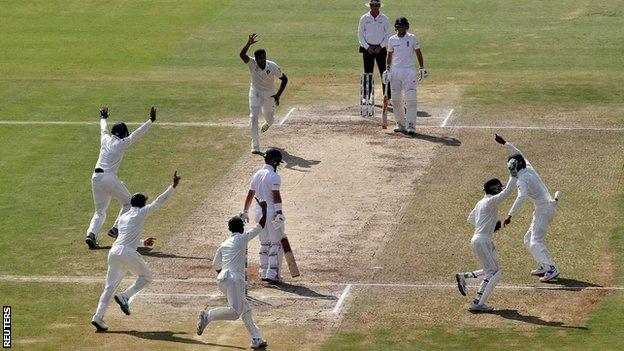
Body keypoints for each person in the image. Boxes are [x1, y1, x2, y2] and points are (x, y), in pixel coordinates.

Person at [90, 171, 181, 331]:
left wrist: (143, 242)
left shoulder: (124, 217)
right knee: (146, 277)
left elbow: (126, 238)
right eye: (145, 202)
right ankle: (125, 296)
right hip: (126, 253)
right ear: (142, 204)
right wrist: (172, 186)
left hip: (114, 252)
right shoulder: (141, 212)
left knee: (109, 288)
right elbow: (159, 201)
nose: (147, 204)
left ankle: (97, 317)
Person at [196, 200, 269, 350]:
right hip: (234, 281)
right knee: (235, 312)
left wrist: (225, 276)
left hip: (224, 280)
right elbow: (261, 225)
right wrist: (265, 209)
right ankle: (208, 316)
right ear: (241, 228)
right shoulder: (242, 238)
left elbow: (215, 265)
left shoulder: (224, 244)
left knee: (246, 309)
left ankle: (257, 338)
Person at [85, 106, 156, 249]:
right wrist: (150, 121)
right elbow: (137, 133)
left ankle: (91, 234)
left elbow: (103, 128)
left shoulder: (105, 139)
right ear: (123, 134)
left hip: (96, 178)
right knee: (129, 203)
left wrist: (103, 117)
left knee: (99, 211)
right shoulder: (122, 144)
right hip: (109, 178)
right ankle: (116, 229)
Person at [495, 134, 561, 282]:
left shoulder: (522, 180)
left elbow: (521, 197)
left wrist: (510, 214)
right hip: (544, 207)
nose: (512, 172)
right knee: (527, 239)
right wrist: (505, 143)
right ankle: (544, 265)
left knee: (535, 241)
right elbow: (518, 153)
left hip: (544, 209)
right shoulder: (527, 167)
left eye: (513, 169)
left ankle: (551, 268)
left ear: (517, 167)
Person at [455, 175, 517, 312]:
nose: (501, 189)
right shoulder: (490, 201)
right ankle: (477, 303)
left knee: (494, 271)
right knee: (493, 273)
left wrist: (489, 225)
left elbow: (471, 218)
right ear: (493, 189)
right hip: (482, 240)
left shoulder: (480, 203)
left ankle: (464, 277)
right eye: (499, 187)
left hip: (482, 239)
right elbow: (507, 192)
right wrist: (514, 176)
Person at [239, 33, 288, 155]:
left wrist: (278, 95)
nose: (263, 61)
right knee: (253, 117)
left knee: (270, 120)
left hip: (269, 94)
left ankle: (268, 123)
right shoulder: (252, 63)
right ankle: (255, 145)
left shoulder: (272, 66)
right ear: (256, 59)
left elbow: (284, 79)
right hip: (255, 93)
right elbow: (242, 55)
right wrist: (248, 44)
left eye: (264, 58)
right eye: (261, 59)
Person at [241, 148, 284, 283]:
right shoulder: (274, 177)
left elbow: (250, 194)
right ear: (273, 161)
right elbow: (276, 196)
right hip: (271, 212)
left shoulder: (257, 174)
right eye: (277, 162)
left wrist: (245, 211)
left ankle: (264, 272)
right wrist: (279, 213)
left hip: (259, 213)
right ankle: (272, 274)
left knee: (264, 243)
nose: (278, 165)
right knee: (275, 243)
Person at [384, 17, 427, 135]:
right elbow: (389, 55)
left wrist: (422, 67)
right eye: (398, 27)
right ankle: (401, 124)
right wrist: (387, 69)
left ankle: (411, 125)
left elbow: (418, 53)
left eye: (402, 27)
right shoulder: (392, 39)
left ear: (406, 27)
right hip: (395, 72)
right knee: (396, 100)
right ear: (396, 27)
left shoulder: (412, 38)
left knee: (411, 100)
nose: (400, 29)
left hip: (409, 71)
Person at [358, 0, 392, 103]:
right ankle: (366, 97)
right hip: (367, 49)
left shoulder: (384, 19)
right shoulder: (364, 18)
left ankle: (388, 97)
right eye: (372, 5)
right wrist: (367, 47)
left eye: (376, 5)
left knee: (384, 73)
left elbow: (388, 34)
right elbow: (360, 34)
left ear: (379, 6)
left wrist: (380, 46)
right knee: (368, 73)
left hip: (380, 49)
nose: (374, 7)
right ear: (370, 6)